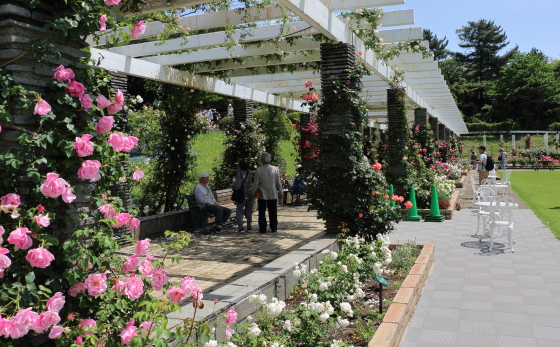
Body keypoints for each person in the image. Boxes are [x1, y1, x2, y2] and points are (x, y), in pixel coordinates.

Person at [252, 152, 283, 233]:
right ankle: (274, 227)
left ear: (262, 160)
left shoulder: (259, 170)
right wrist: (280, 192)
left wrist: (252, 192)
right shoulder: (275, 169)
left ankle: (262, 228)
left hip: (262, 194)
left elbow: (256, 183)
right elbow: (278, 183)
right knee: (273, 211)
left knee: (261, 212)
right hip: (273, 193)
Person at [227, 159, 253, 232]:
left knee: (239, 211)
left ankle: (241, 228)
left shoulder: (239, 174)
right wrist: (232, 170)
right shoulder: (250, 172)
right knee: (249, 211)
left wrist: (234, 183)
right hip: (249, 194)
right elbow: (241, 172)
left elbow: (237, 186)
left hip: (242, 195)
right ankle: (249, 226)